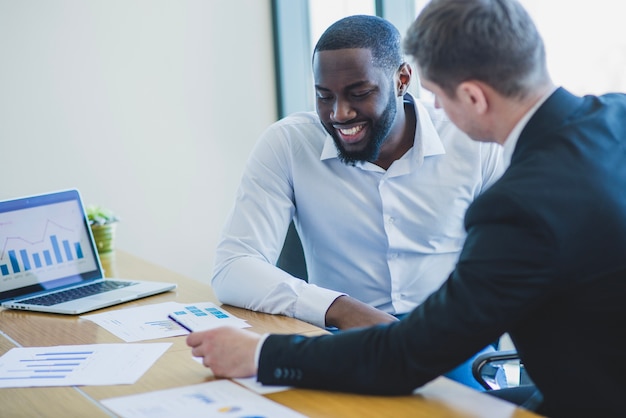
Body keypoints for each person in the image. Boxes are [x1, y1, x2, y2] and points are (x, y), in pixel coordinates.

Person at [188, 1, 626, 416]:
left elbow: (411, 353)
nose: (436, 110)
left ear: (472, 97)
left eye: (437, 95)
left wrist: (262, 354)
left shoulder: (516, 205)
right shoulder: (617, 118)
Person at [209, 14, 504, 389]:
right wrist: (343, 309)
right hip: (338, 339)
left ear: (402, 80)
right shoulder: (286, 144)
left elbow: (506, 269)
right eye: (324, 96)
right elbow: (233, 267)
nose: (339, 114)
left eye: (359, 93)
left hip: (450, 343)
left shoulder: (474, 144)